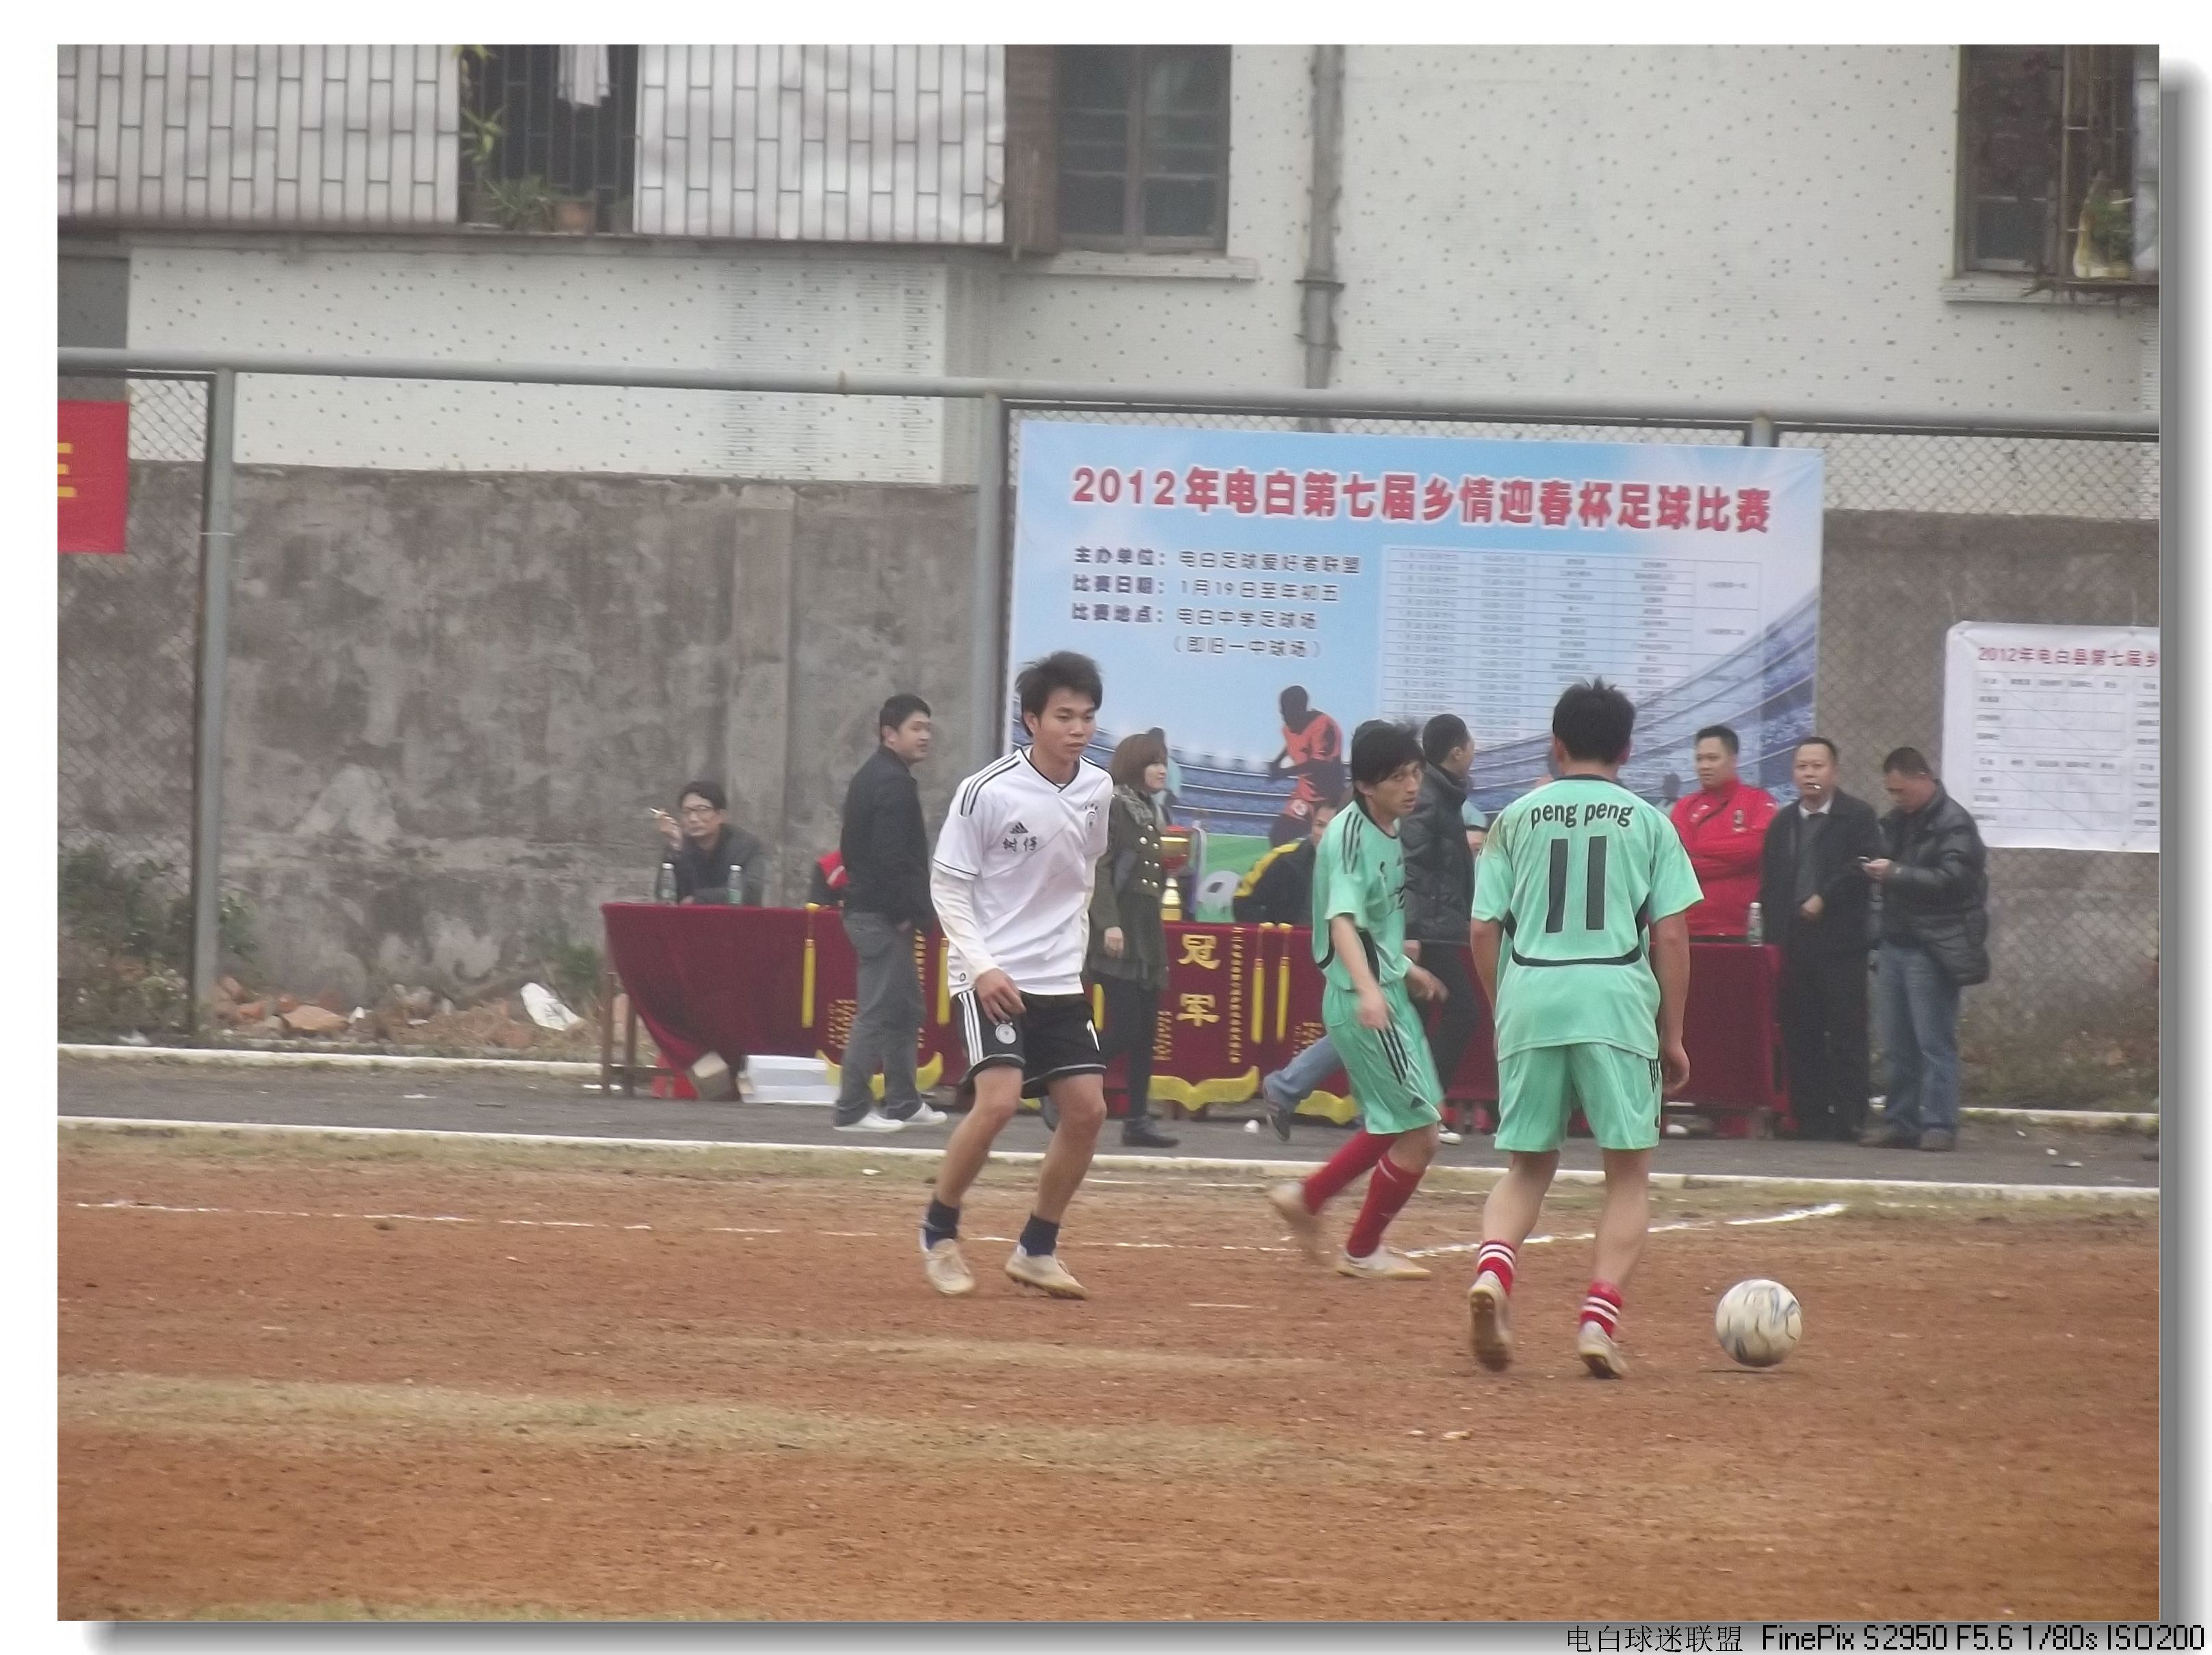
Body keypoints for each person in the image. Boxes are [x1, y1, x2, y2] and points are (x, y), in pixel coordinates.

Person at [1464, 680, 1701, 1380]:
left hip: (1531, 994)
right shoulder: (1650, 823)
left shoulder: (1512, 819)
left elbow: (1481, 930)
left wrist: (1504, 1005)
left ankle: (1493, 1272)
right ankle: (1597, 1319)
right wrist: (1672, 1033)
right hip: (1615, 1000)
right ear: (1626, 750)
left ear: (1555, 745)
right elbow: (1670, 935)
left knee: (1526, 1165)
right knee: (1626, 1173)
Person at [918, 651, 1115, 1300]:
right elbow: (948, 888)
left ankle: (1037, 1247)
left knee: (1087, 1111)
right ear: (1031, 719)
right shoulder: (986, 791)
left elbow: (1083, 873)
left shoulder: (1098, 789)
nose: (1078, 728)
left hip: (1058, 976)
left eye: (1087, 716)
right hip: (991, 971)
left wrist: (1072, 953)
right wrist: (982, 968)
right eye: (1063, 716)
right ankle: (938, 1231)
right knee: (999, 1101)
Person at [1264, 722, 1448, 1281]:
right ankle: (1360, 1247)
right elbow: (1342, 920)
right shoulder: (1349, 834)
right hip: (1362, 998)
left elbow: (1371, 924)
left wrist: (1402, 970)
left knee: (1402, 1123)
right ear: (1367, 785)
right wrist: (1370, 989)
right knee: (1420, 1132)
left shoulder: (1386, 828)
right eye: (1398, 777)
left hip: (1382, 989)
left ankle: (1309, 1198)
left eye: (1415, 773)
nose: (1411, 786)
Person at [1858, 747, 1990, 1154]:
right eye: (1891, 792)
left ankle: (1938, 1123)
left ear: (1922, 779)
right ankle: (1901, 1122)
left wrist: (1895, 873)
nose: (1895, 798)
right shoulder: (1896, 823)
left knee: (1933, 1041)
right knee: (1896, 1043)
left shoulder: (1955, 824)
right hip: (1895, 942)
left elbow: (1953, 880)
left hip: (1932, 947)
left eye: (1900, 790)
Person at [1756, 738, 1882, 1143]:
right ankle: (1809, 1116)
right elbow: (1771, 882)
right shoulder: (1783, 823)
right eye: (1802, 767)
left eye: (1817, 766)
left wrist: (1824, 898)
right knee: (1800, 1031)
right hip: (1793, 943)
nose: (1809, 774)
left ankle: (1851, 1117)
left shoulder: (1857, 817)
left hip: (1841, 943)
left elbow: (1862, 868)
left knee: (1846, 1031)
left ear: (1834, 771)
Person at [832, 693, 946, 1134]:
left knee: (904, 1009)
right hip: (880, 915)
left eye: (928, 728)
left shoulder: (876, 776)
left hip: (877, 910)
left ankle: (903, 1101)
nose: (925, 736)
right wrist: (906, 911)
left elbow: (854, 849)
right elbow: (892, 858)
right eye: (917, 728)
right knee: (879, 1010)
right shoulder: (892, 783)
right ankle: (851, 1108)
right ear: (889, 734)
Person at [1084, 732, 1180, 1149]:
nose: (1162, 770)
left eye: (1164, 762)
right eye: (1154, 762)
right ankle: (1062, 1079)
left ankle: (1137, 1120)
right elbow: (1099, 868)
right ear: (1135, 765)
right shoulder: (1116, 805)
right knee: (1125, 1027)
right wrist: (1109, 924)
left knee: (1145, 1033)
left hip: (1146, 931)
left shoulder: (1150, 810)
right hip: (1119, 928)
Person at [1403, 714, 1483, 1137]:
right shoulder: (1429, 796)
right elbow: (1410, 866)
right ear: (1456, 752)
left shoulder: (1442, 793)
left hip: (1436, 927)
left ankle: (1413, 1113)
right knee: (1462, 1011)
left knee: (1417, 1020)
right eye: (1470, 743)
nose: (1474, 749)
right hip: (1427, 933)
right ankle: (1421, 1108)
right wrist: (1410, 932)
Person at [1667, 725, 1776, 938]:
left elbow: (1757, 849)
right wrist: (1736, 859)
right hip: (1690, 928)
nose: (1704, 766)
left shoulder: (1758, 801)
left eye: (1713, 758)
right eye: (1699, 759)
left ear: (1734, 760)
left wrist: (1699, 846)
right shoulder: (1684, 807)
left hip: (1743, 929)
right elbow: (1679, 864)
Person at [652, 781, 767, 905]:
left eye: (702, 810)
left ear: (721, 815)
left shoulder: (746, 845)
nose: (693, 819)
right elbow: (665, 894)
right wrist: (677, 848)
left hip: (733, 916)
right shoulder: (679, 844)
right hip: (689, 916)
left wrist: (699, 899)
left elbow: (752, 893)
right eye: (687, 812)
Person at [1233, 795, 1339, 924]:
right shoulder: (1284, 859)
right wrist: (1270, 932)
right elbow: (1243, 901)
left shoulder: (1362, 866)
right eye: (1320, 825)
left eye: (1335, 827)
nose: (1324, 834)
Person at [1264, 686, 1346, 846]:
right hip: (1305, 799)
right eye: (1282, 709)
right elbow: (1294, 744)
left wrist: (1284, 772)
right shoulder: (1289, 728)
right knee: (1278, 836)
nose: (1282, 714)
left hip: (1330, 800)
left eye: (1287, 710)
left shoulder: (1323, 726)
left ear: (1300, 709)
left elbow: (1319, 764)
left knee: (1328, 844)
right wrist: (1278, 760)